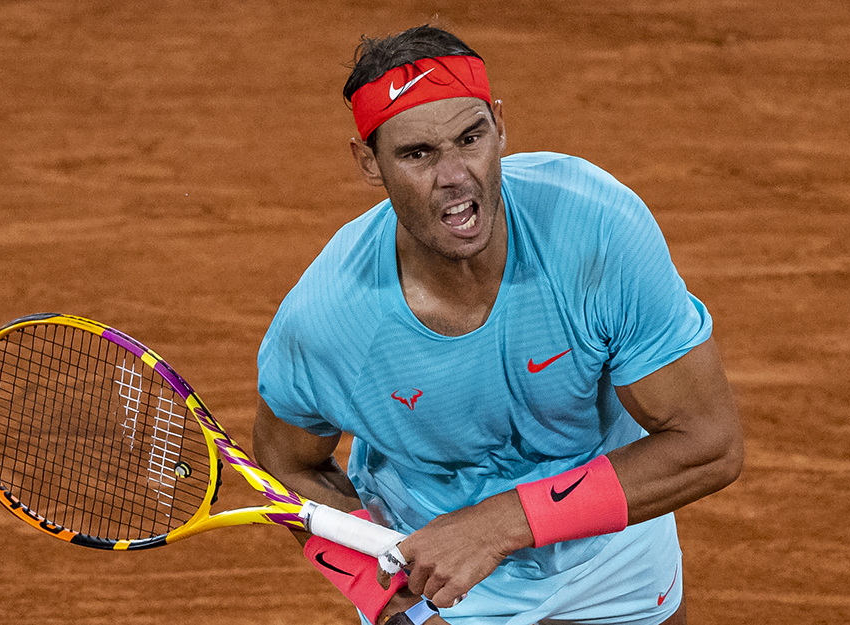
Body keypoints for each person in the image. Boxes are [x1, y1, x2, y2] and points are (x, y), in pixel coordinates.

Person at [252, 24, 743, 625]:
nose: (457, 175)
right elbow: (285, 465)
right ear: (369, 162)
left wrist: (498, 525)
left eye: (470, 137)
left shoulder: (596, 230)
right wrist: (385, 596)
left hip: (610, 541)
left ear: (500, 126)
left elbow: (709, 443)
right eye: (417, 154)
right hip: (438, 571)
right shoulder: (327, 320)